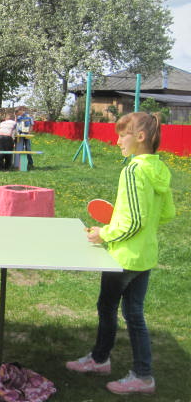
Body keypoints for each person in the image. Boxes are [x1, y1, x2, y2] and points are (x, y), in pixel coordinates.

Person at [66, 112, 175, 396]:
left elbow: (133, 221)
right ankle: (142, 374)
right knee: (134, 314)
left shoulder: (133, 170)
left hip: (124, 257)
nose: (117, 142)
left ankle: (101, 360)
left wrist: (104, 233)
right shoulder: (159, 168)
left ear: (140, 137)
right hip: (145, 256)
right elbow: (165, 213)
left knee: (107, 308)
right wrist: (122, 223)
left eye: (121, 135)